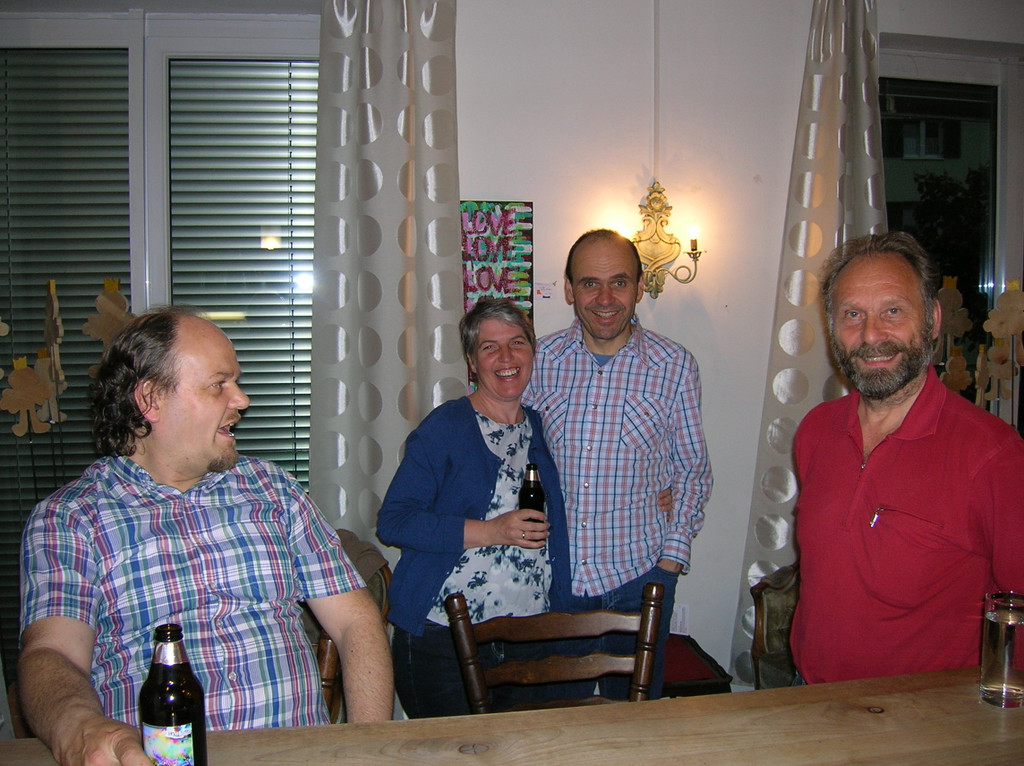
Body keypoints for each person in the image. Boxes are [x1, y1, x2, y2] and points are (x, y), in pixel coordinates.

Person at [19, 307, 393, 766]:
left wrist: (368, 749)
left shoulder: (272, 490)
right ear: (150, 399)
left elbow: (356, 622)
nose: (242, 399)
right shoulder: (72, 519)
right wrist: (79, 727)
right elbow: (52, 654)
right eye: (219, 384)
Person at [790, 231, 1024, 684]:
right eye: (852, 314)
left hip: (924, 716)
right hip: (808, 693)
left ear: (932, 319)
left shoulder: (994, 456)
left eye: (893, 311)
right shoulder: (815, 431)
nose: (871, 335)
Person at [522, 228, 713, 699]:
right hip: (554, 579)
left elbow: (692, 470)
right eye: (590, 283)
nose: (605, 299)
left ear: (640, 286)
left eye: (619, 282)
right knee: (557, 715)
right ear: (569, 289)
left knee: (632, 717)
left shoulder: (674, 366)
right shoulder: (539, 361)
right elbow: (511, 453)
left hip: (640, 577)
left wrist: (670, 562)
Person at [377, 298, 571, 718]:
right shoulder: (446, 427)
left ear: (532, 351)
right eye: (489, 347)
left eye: (517, 343)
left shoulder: (542, 428)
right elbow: (394, 521)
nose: (506, 357)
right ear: (471, 361)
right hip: (443, 636)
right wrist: (492, 531)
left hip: (528, 635)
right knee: (451, 748)